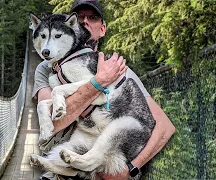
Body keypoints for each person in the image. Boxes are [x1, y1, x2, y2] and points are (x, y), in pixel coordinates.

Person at [32, 0, 175, 179]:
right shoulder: (46, 68)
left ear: (102, 29)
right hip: (63, 170)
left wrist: (131, 168)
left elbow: (164, 126)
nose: (84, 21)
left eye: (92, 18)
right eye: (79, 17)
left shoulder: (118, 67)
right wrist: (98, 82)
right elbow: (54, 124)